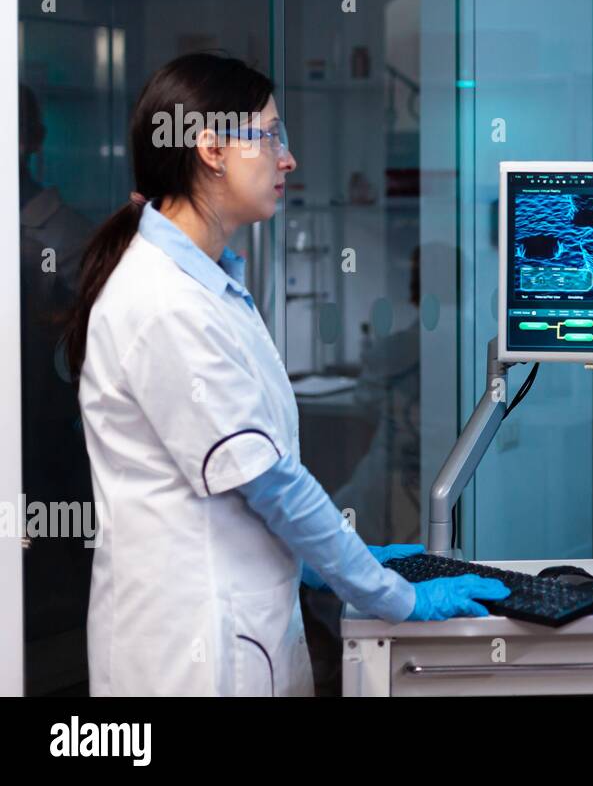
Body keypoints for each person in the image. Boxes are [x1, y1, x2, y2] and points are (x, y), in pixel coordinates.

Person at [66, 53, 508, 696]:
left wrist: (324, 566)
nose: (287, 157)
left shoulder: (210, 286)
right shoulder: (164, 303)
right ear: (212, 148)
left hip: (237, 628)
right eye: (271, 134)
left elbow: (242, 486)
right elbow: (270, 482)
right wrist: (389, 593)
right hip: (191, 653)